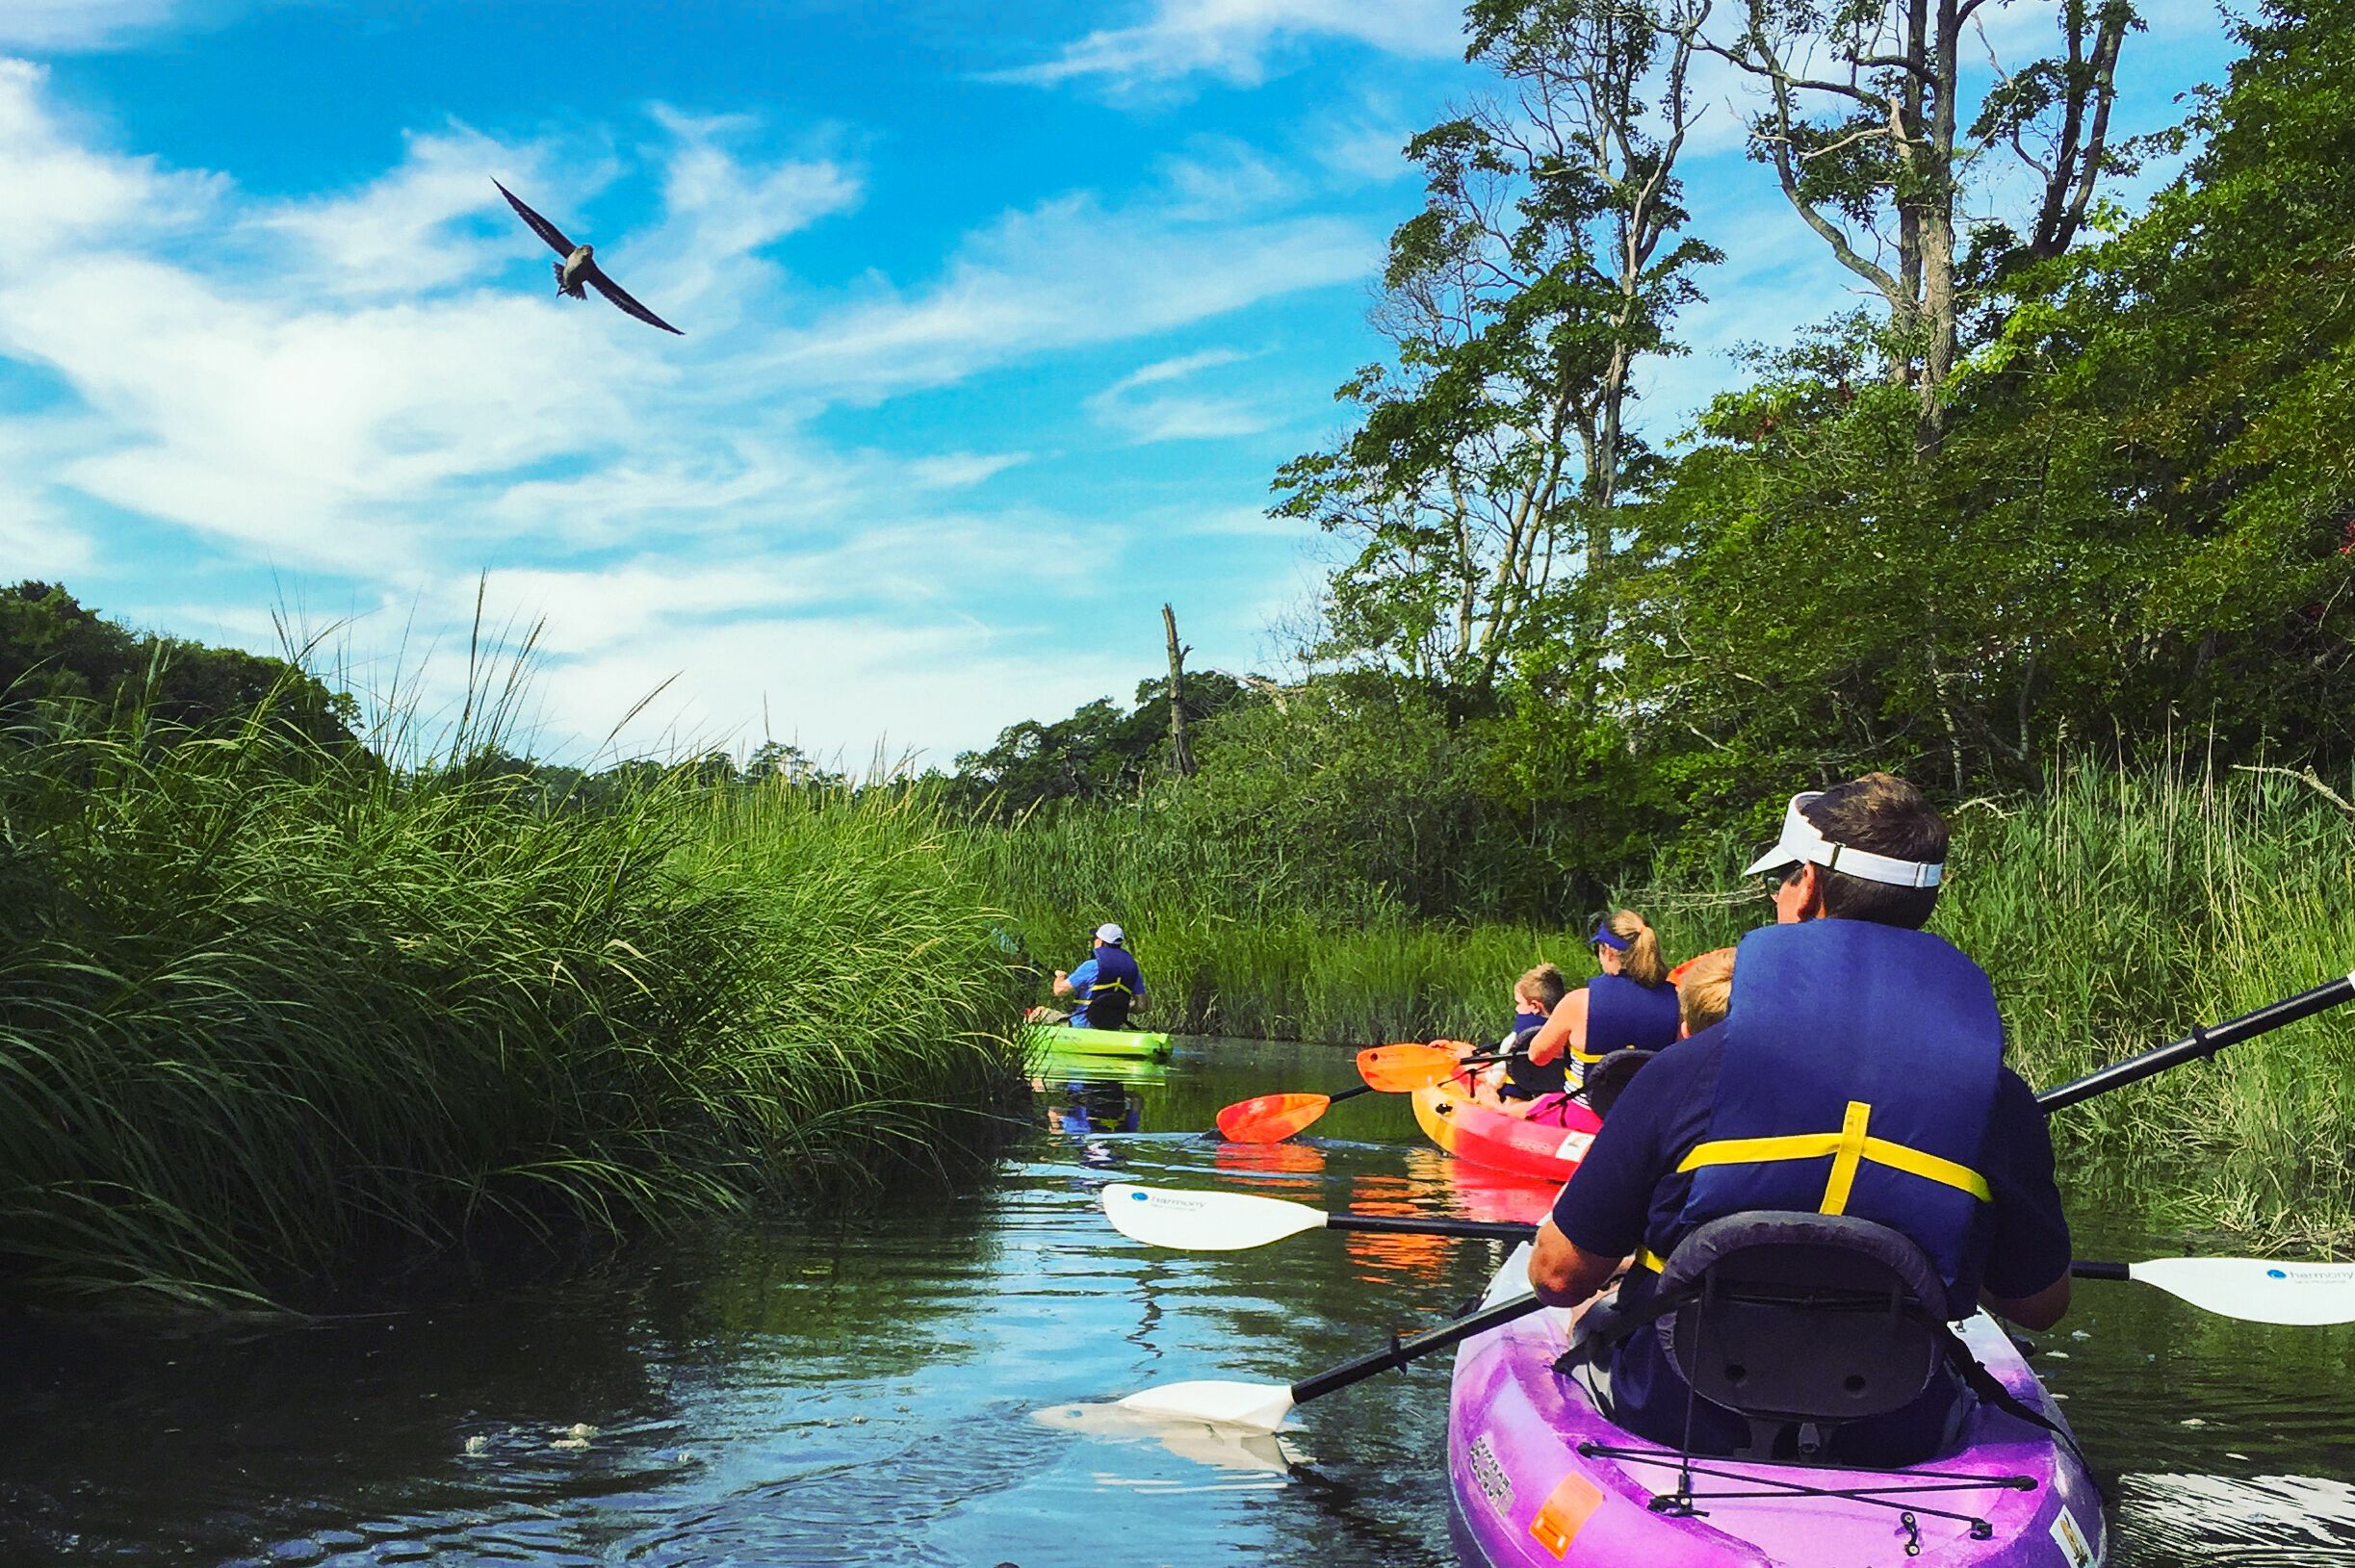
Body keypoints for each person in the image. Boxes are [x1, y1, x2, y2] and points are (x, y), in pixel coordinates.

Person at [1526, 773, 2072, 1464]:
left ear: (1808, 886)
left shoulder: (1685, 1072)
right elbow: (2040, 1303)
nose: (1779, 893)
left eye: (1782, 878)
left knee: (1585, 1312)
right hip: (1895, 1425)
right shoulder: (1998, 1099)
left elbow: (1556, 1275)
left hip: (1678, 1410)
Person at [1514, 909, 1679, 1098]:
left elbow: (1537, 1056)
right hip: (1650, 1115)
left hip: (1586, 1113)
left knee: (1528, 1107)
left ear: (1607, 952)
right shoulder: (1677, 1000)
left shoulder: (1578, 1002)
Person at [1052, 923, 1148, 1030]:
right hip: (1113, 1027)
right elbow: (1141, 1006)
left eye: (1094, 938)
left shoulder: (1091, 966)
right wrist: (1114, 1008)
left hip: (1081, 1025)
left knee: (1039, 1012)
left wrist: (1060, 976)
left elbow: (1059, 991)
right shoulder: (1132, 969)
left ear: (1100, 942)